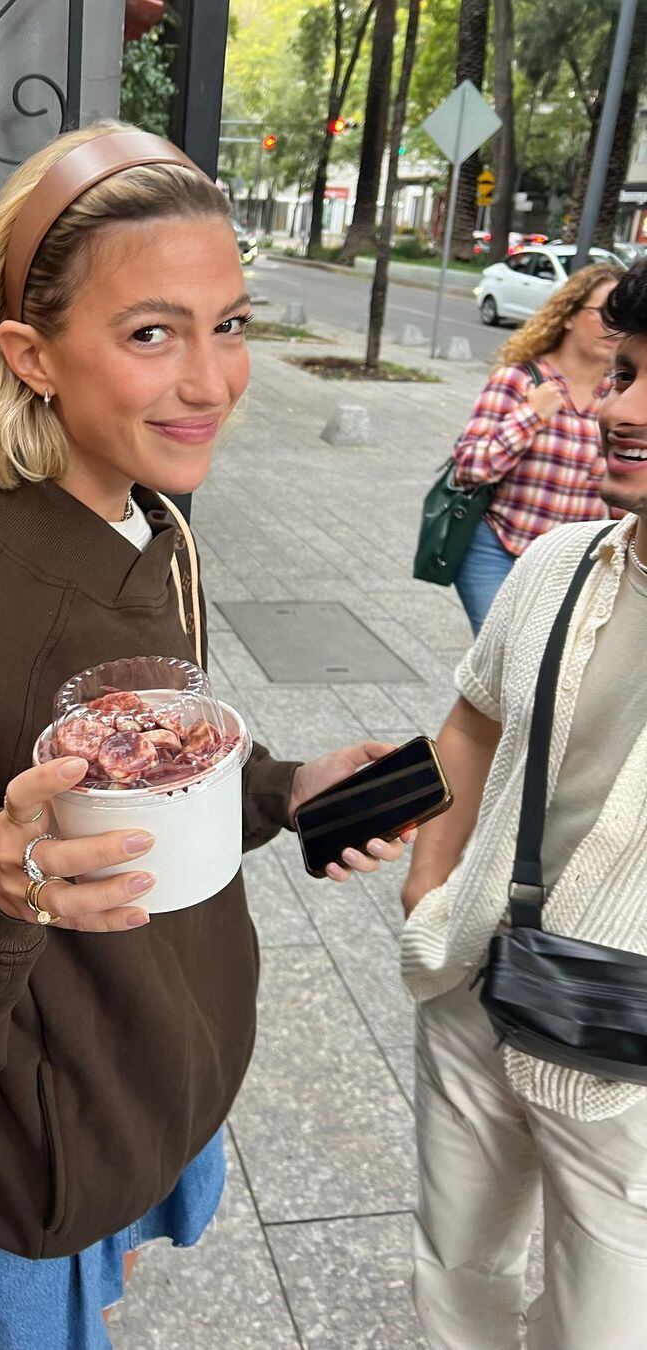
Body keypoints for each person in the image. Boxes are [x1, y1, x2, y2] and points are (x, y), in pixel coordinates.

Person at [0, 122, 413, 1349]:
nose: (212, 382)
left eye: (233, 324)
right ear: (32, 354)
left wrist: (278, 788)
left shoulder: (148, 522)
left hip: (112, 1098)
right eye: (151, 332)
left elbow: (123, 786)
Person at [399, 259, 647, 1348]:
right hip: (476, 978)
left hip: (631, 1068)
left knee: (603, 1320)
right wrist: (430, 887)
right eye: (625, 370)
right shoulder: (553, 563)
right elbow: (472, 719)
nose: (616, 407)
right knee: (457, 1264)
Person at [451, 262, 623, 635]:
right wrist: (531, 416)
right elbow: (468, 467)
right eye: (603, 314)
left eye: (621, 317)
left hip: (576, 567)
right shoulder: (519, 379)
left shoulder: (620, 396)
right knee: (503, 659)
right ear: (567, 316)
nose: (614, 327)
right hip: (499, 550)